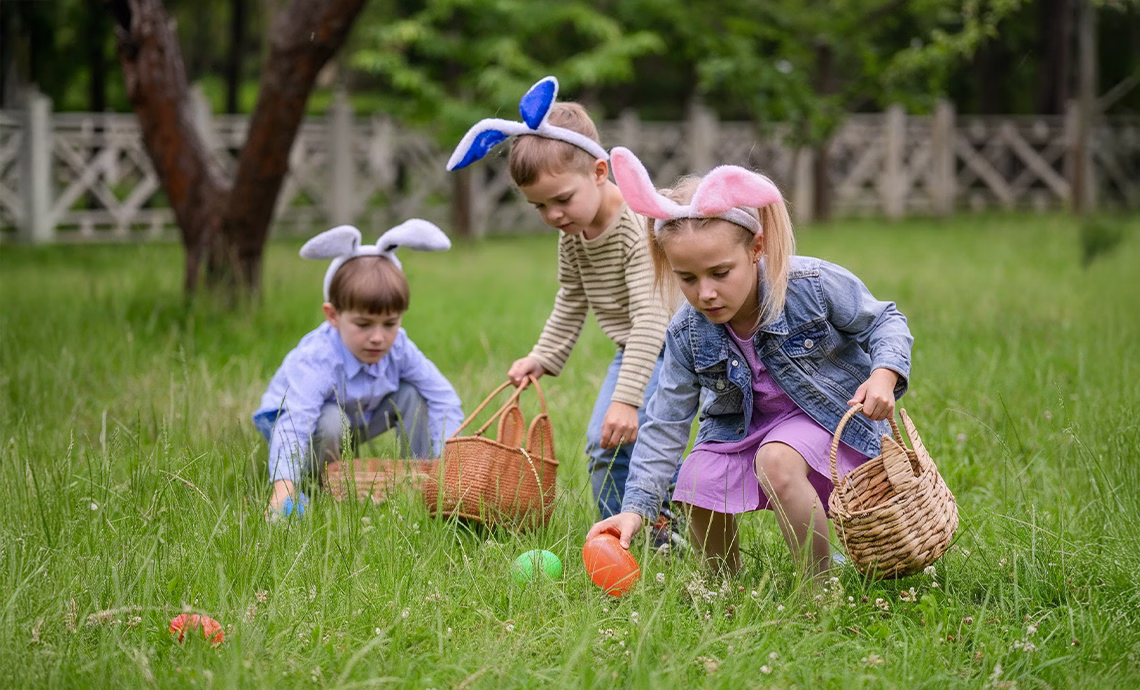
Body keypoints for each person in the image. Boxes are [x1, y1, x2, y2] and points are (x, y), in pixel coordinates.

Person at [587, 147, 914, 579]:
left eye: (720, 273)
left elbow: (885, 320)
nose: (705, 293)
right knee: (696, 479)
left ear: (756, 248)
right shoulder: (687, 331)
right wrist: (636, 509)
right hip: (745, 432)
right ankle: (724, 589)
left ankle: (817, 589)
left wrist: (884, 376)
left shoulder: (809, 285)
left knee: (776, 459)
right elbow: (665, 422)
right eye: (687, 278)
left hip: (828, 423)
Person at [447, 77, 678, 539]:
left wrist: (626, 400)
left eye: (562, 199)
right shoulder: (572, 233)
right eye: (539, 206)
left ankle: (659, 527)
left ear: (598, 172)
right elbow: (571, 300)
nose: (554, 215)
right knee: (603, 444)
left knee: (648, 440)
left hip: (675, 346)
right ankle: (627, 537)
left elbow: (653, 318)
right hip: (633, 349)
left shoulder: (634, 227)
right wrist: (543, 356)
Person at [252, 220, 463, 518]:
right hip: (302, 424)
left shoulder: (399, 346)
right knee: (329, 420)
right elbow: (295, 422)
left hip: (358, 415)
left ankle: (425, 480)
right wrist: (283, 486)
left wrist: (449, 460)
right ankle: (318, 484)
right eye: (363, 325)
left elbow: (443, 397)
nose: (378, 337)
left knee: (413, 395)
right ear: (333, 316)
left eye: (390, 323)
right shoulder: (319, 357)